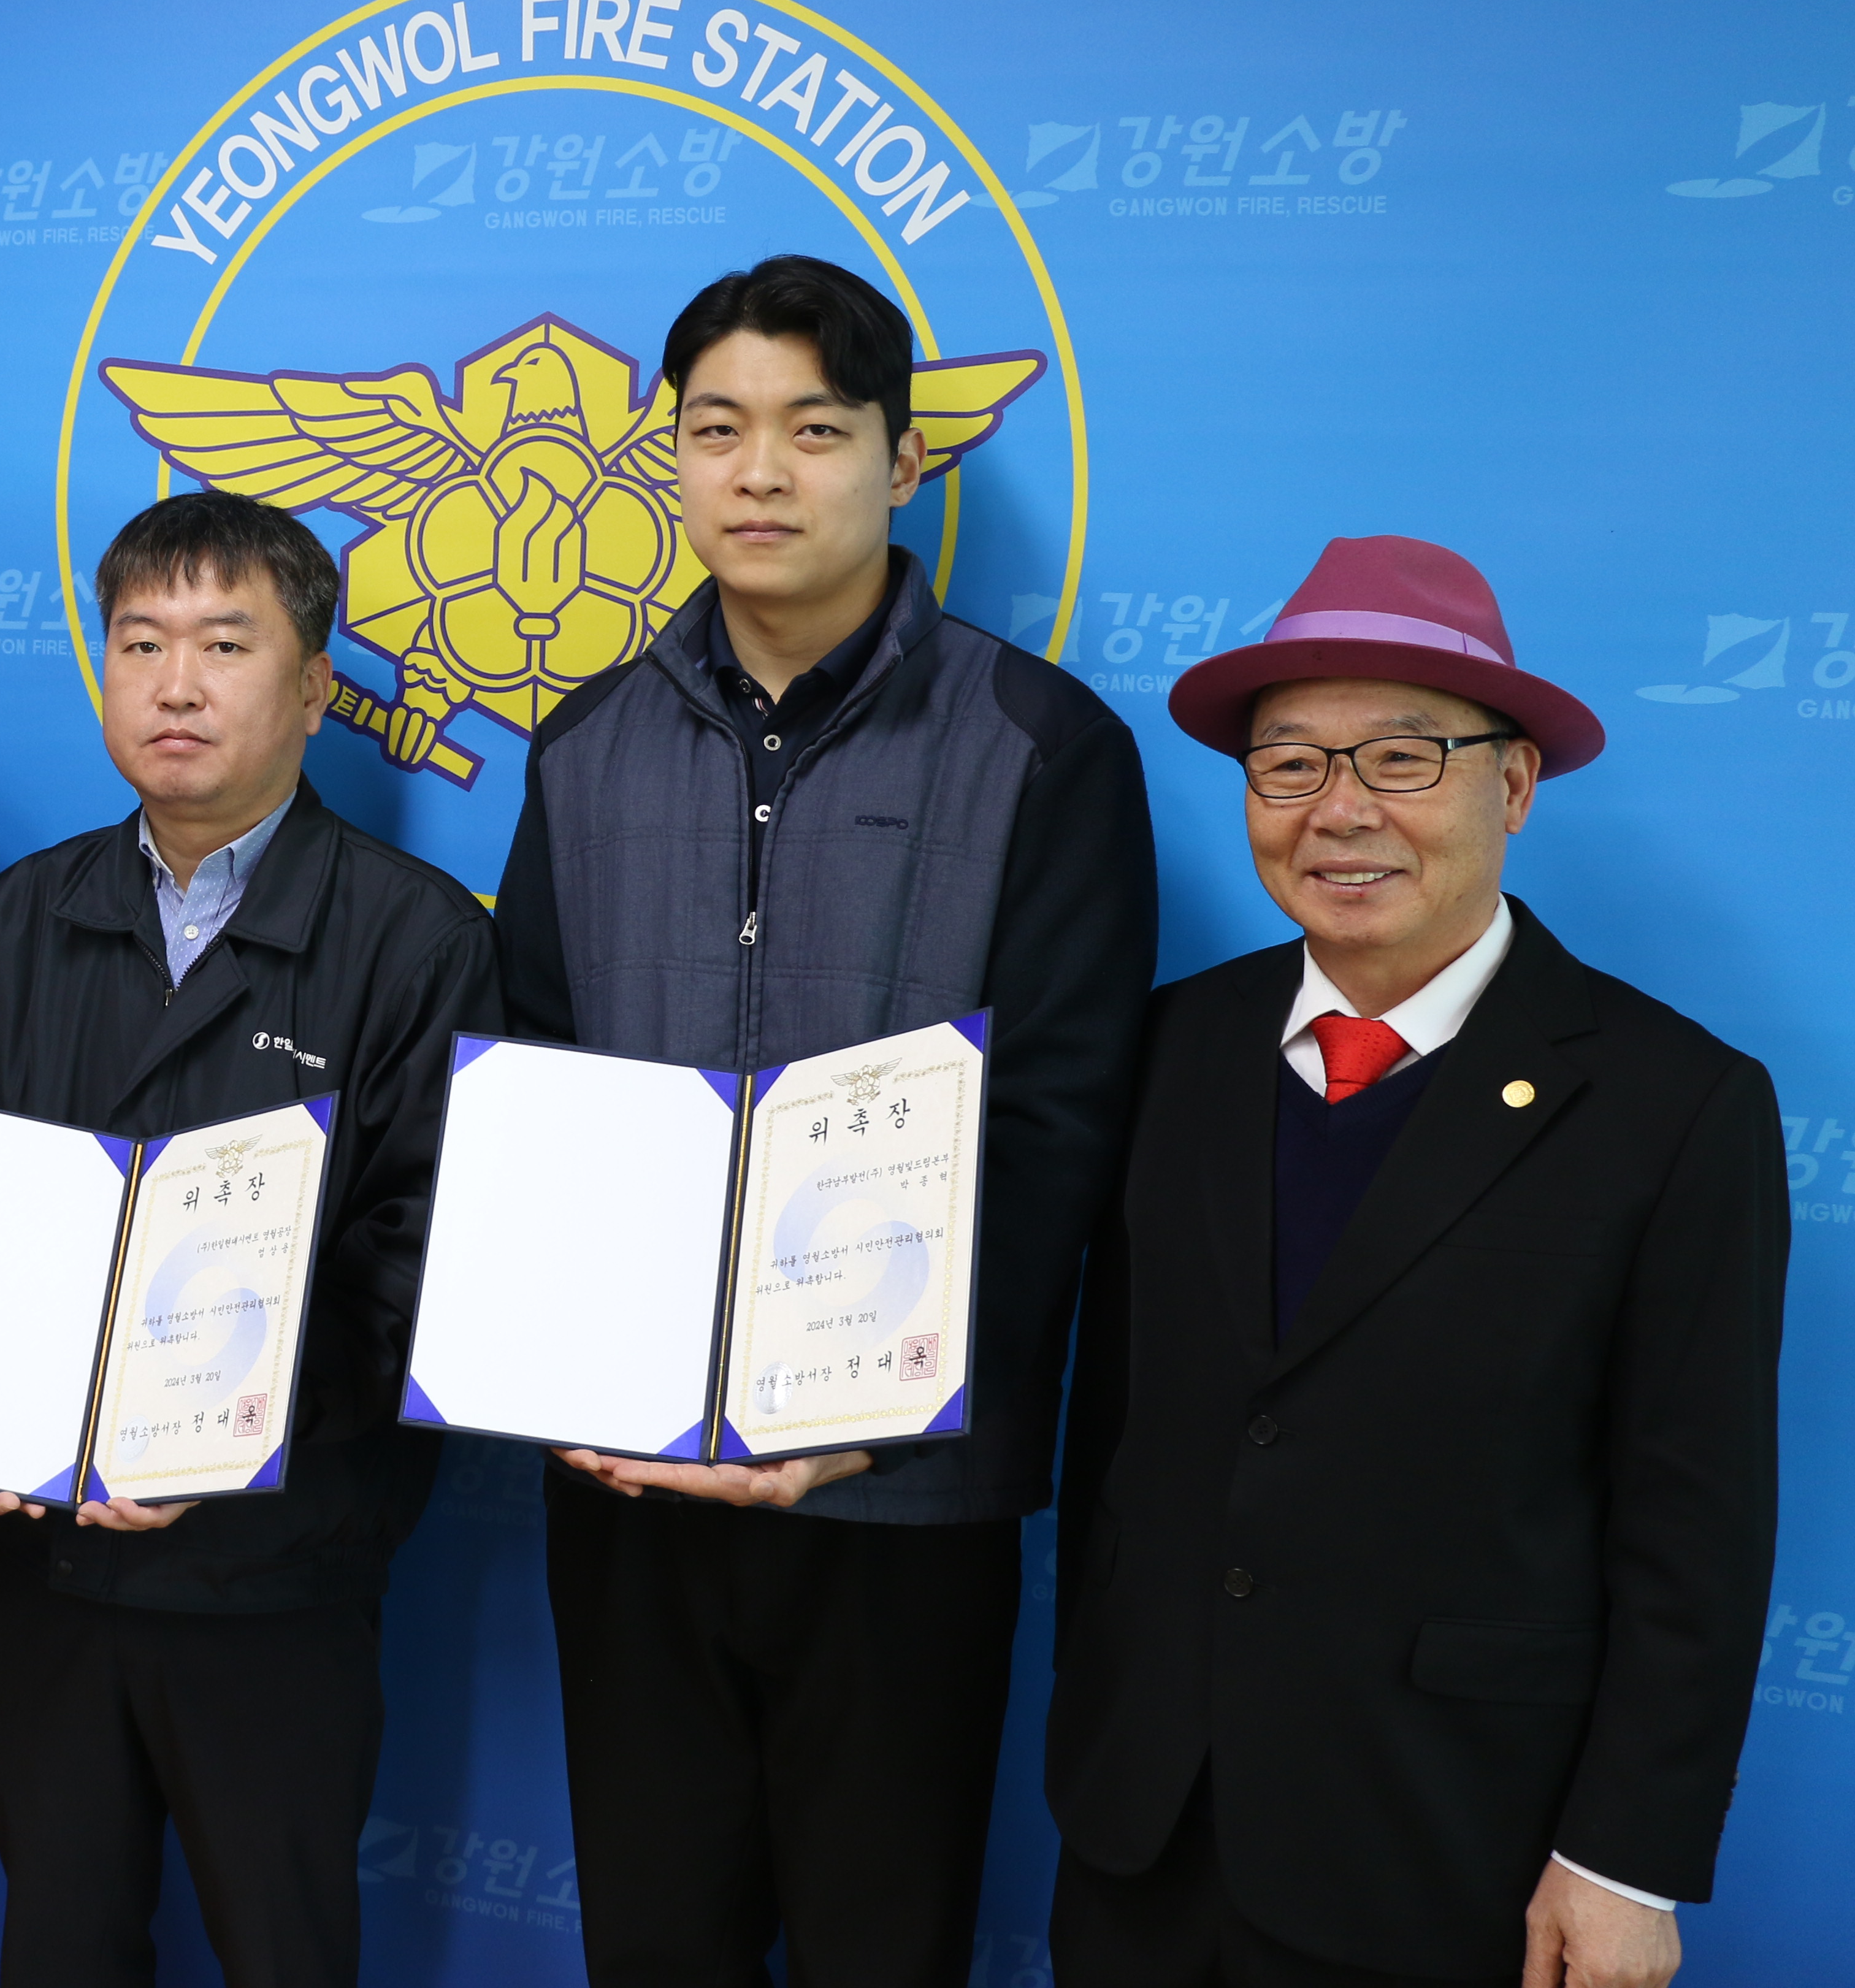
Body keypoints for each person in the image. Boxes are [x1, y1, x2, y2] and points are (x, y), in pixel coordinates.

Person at [491, 254, 1157, 1986]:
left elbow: (1061, 1121)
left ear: (902, 459)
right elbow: (536, 1075)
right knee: (656, 1942)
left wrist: (885, 1408)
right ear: (673, 458)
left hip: (900, 1492)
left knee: (884, 1942)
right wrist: (564, 1369)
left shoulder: (1040, 745)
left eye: (814, 429)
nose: (761, 473)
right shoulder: (584, 745)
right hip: (633, 1484)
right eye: (718, 430)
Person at [1044, 535, 1785, 1988]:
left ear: (1513, 786)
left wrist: (1625, 1860)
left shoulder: (1673, 1104)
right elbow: (1116, 1423)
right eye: (1289, 766)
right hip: (1146, 1829)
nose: (1340, 812)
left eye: (1402, 758)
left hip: (1451, 1847)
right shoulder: (1167, 1047)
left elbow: (1696, 1529)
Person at [0, 492, 501, 1988]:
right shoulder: (17, 917)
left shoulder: (420, 937)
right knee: (59, 1940)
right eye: (142, 643)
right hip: (45, 1557)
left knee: (282, 1945)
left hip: (277, 1565)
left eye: (226, 645)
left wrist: (223, 1430)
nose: (175, 684)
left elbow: (423, 1256)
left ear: (315, 689)